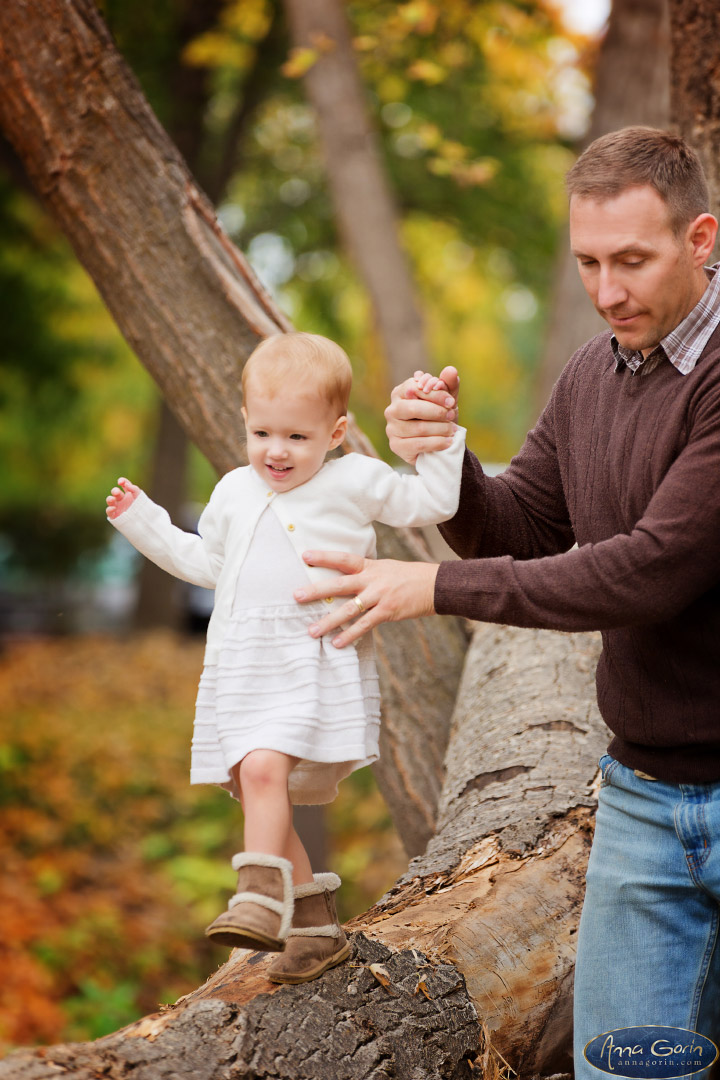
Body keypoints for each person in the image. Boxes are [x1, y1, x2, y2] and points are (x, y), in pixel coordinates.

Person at [290, 129, 720, 1066]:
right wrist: (446, 460)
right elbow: (522, 523)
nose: (608, 291)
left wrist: (434, 586)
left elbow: (654, 567)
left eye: (633, 261)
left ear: (701, 239)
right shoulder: (592, 373)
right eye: (589, 263)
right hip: (647, 800)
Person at [105, 331, 465, 985]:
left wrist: (441, 442)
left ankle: (258, 896)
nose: (277, 451)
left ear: (335, 432)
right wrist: (144, 522)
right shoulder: (234, 491)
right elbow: (203, 564)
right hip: (242, 661)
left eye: (297, 437)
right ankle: (317, 927)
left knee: (266, 770)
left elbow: (431, 502)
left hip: (308, 656)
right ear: (245, 422)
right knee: (252, 784)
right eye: (264, 433)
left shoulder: (352, 478)